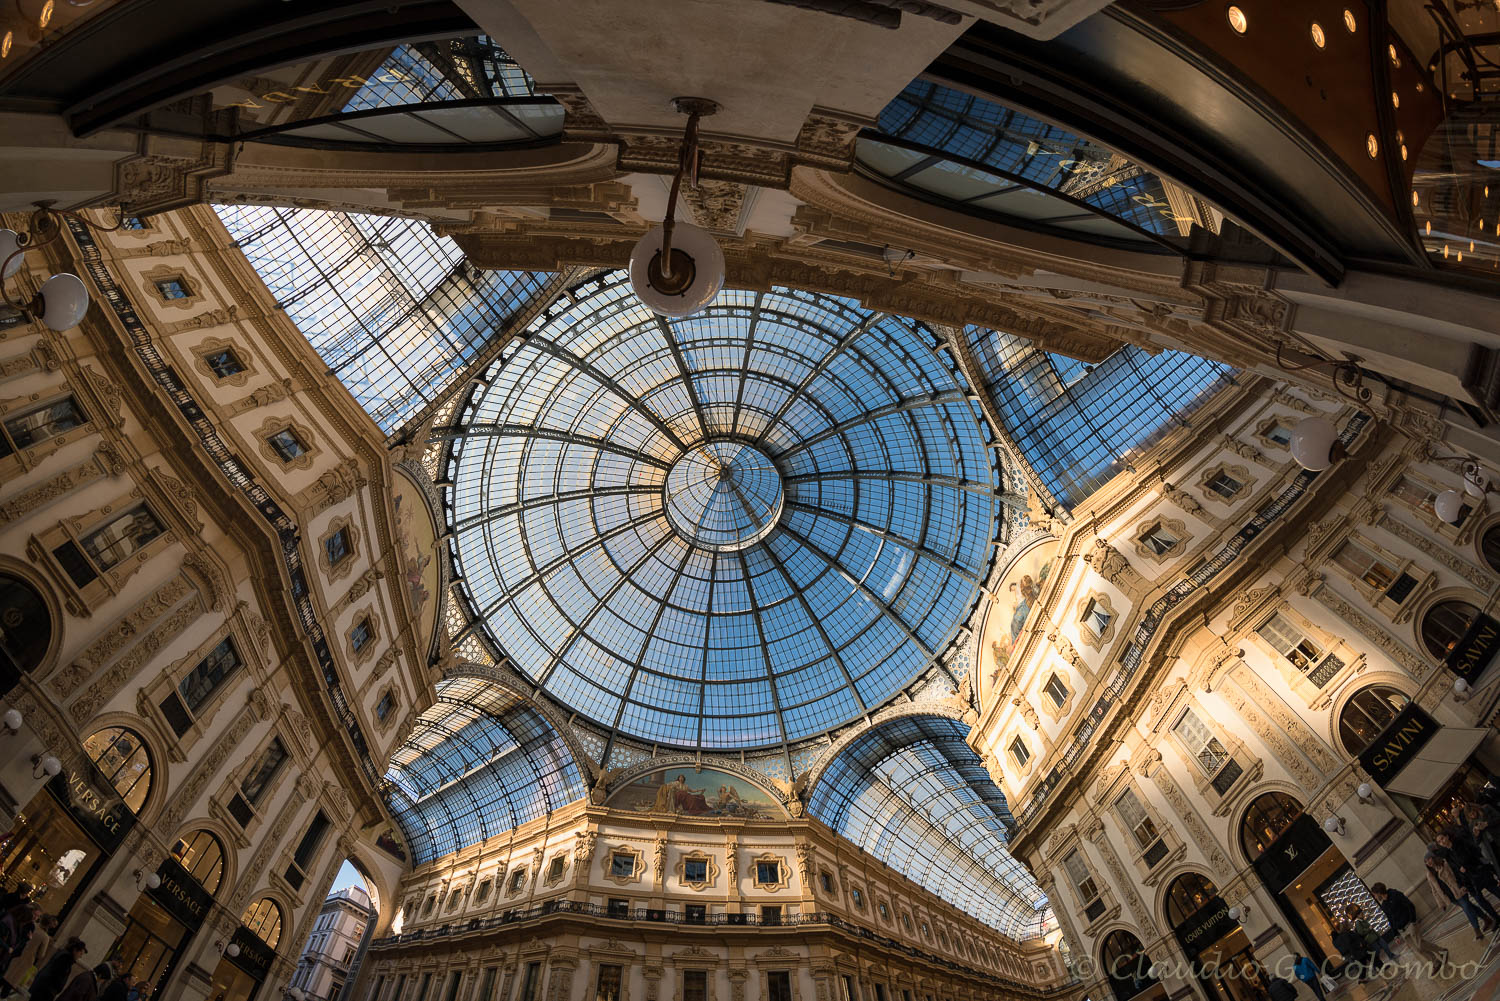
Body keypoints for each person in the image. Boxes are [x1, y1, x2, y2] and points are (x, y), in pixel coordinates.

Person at [1426, 844, 1497, 939]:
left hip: (1457, 890)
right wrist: (1441, 903)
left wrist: (1462, 885)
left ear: (1433, 857)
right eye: (1426, 862)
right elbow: (1434, 890)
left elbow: (1455, 875)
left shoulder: (1444, 863)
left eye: (1429, 859)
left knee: (1466, 907)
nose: (1428, 862)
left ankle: (1477, 930)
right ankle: (1486, 918)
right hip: (1449, 897)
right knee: (1470, 906)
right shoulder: (1429, 874)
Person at [1371, 881, 1447, 969]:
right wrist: (1395, 935)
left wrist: (1413, 920)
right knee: (1417, 949)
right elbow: (1390, 920)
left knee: (1420, 944)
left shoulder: (1395, 894)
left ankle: (1441, 950)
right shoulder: (1384, 905)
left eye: (1375, 895)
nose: (1375, 897)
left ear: (1379, 892)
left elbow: (1409, 905)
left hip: (1410, 924)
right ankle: (1435, 962)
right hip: (1401, 930)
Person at [3, 912, 57, 997]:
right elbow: (41, 955)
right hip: (27, 960)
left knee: (5, 974)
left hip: (15, 953)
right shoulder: (45, 937)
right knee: (11, 981)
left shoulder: (31, 925)